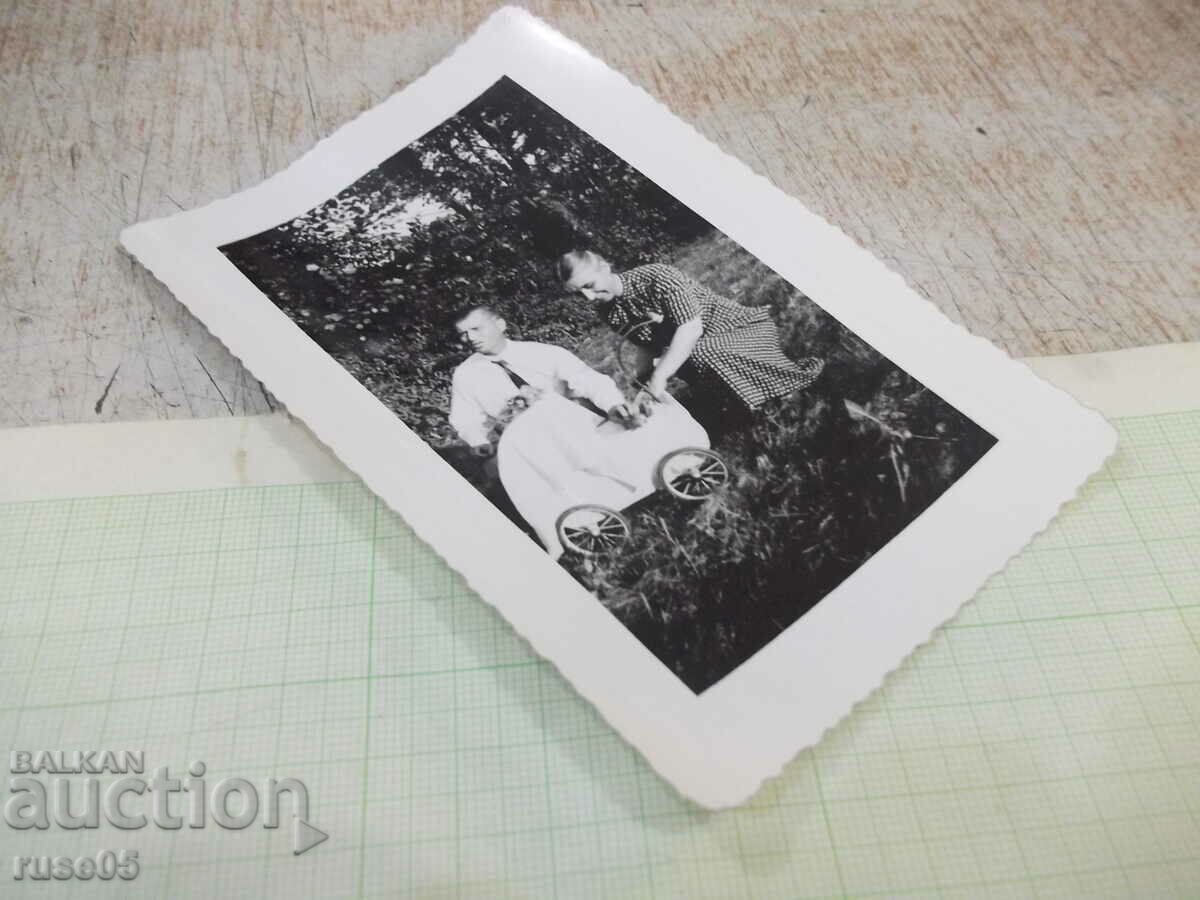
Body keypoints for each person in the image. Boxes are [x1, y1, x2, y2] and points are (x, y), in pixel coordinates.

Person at [557, 251, 824, 420]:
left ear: (604, 266)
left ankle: (789, 393)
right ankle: (750, 407)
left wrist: (660, 375)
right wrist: (640, 385)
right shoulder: (610, 312)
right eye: (579, 293)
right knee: (687, 361)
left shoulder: (656, 277)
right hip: (696, 350)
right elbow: (647, 345)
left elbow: (691, 328)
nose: (588, 297)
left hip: (736, 330)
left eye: (589, 286)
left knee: (697, 352)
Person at [448, 305, 635, 453]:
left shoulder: (542, 353)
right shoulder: (466, 375)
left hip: (577, 426)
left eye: (476, 328)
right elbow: (466, 419)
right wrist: (478, 441)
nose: (470, 338)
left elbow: (589, 380)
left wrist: (613, 404)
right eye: (463, 334)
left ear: (500, 325)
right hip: (529, 444)